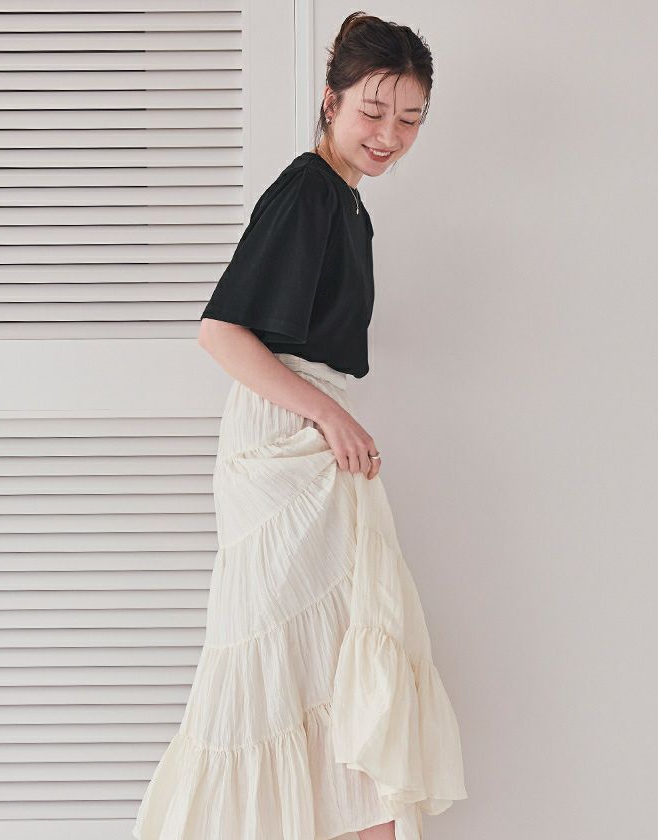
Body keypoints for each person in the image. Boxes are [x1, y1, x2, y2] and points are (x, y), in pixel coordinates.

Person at [132, 12, 467, 840]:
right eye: (373, 111)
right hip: (285, 443)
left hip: (308, 439)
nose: (389, 135)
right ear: (331, 100)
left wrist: (329, 415)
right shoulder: (308, 190)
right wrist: (326, 414)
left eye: (410, 118)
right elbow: (221, 333)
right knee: (291, 660)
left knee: (331, 660)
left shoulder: (346, 202)